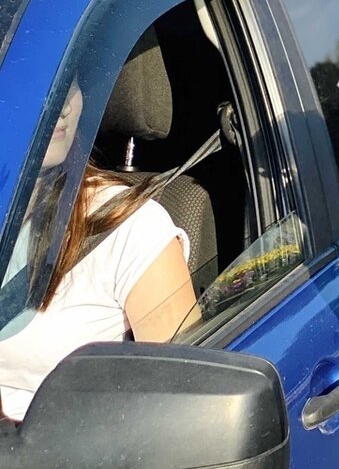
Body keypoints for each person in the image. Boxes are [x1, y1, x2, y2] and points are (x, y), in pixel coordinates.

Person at [0, 81, 196, 421]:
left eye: (69, 83)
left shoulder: (131, 227)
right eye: (42, 83)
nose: (62, 106)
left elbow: (184, 406)